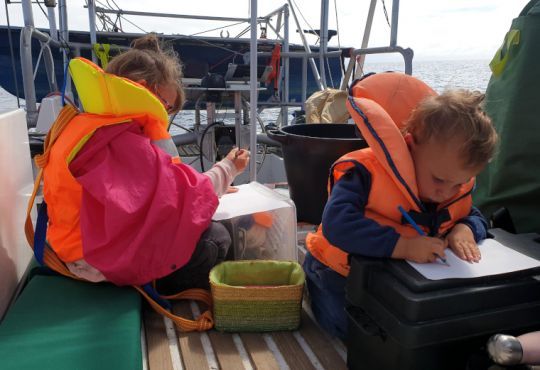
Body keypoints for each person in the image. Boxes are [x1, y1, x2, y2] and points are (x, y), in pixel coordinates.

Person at [37, 34, 249, 294]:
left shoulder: (84, 126)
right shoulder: (124, 139)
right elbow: (182, 195)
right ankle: (158, 285)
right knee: (217, 237)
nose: (165, 117)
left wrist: (210, 184)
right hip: (98, 265)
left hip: (69, 250)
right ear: (145, 88)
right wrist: (228, 168)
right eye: (167, 106)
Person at [304, 72, 498, 339]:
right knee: (355, 333)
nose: (446, 193)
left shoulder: (449, 182)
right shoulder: (365, 173)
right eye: (440, 180)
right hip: (336, 273)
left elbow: (470, 213)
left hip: (397, 280)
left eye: (458, 184)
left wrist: (465, 228)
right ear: (410, 144)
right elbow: (338, 225)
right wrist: (403, 245)